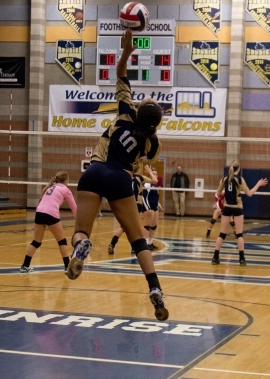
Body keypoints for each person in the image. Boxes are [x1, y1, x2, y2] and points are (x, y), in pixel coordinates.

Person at [68, 28, 168, 321]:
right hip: (120, 178)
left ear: (139, 110)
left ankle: (80, 247)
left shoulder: (125, 112)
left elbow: (121, 71)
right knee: (138, 241)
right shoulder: (153, 142)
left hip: (94, 170)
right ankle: (154, 289)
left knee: (81, 230)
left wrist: (127, 51)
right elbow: (149, 153)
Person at [211, 160, 267, 266]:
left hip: (227, 208)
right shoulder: (240, 179)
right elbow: (249, 193)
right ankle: (242, 259)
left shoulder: (224, 179)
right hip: (237, 208)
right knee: (239, 234)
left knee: (222, 234)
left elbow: (218, 193)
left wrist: (225, 192)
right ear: (239, 168)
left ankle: (215, 257)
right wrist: (258, 184)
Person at [20, 171, 77, 273]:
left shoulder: (50, 187)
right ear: (66, 181)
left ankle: (25, 265)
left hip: (39, 212)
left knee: (36, 242)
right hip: (51, 213)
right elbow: (74, 209)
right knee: (62, 241)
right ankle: (67, 267)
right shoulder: (66, 190)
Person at [108, 163, 156, 254]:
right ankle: (134, 248)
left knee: (123, 226)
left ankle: (112, 243)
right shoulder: (140, 178)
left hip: (126, 202)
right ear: (139, 169)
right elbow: (155, 180)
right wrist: (150, 172)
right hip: (136, 204)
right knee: (135, 227)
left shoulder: (126, 177)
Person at [143, 167, 164, 250]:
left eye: (156, 174)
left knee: (154, 226)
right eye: (153, 174)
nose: (155, 175)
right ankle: (145, 243)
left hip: (155, 207)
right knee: (147, 226)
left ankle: (150, 243)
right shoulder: (147, 184)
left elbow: (156, 197)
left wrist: (159, 206)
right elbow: (144, 197)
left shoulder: (155, 185)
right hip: (149, 207)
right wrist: (147, 208)